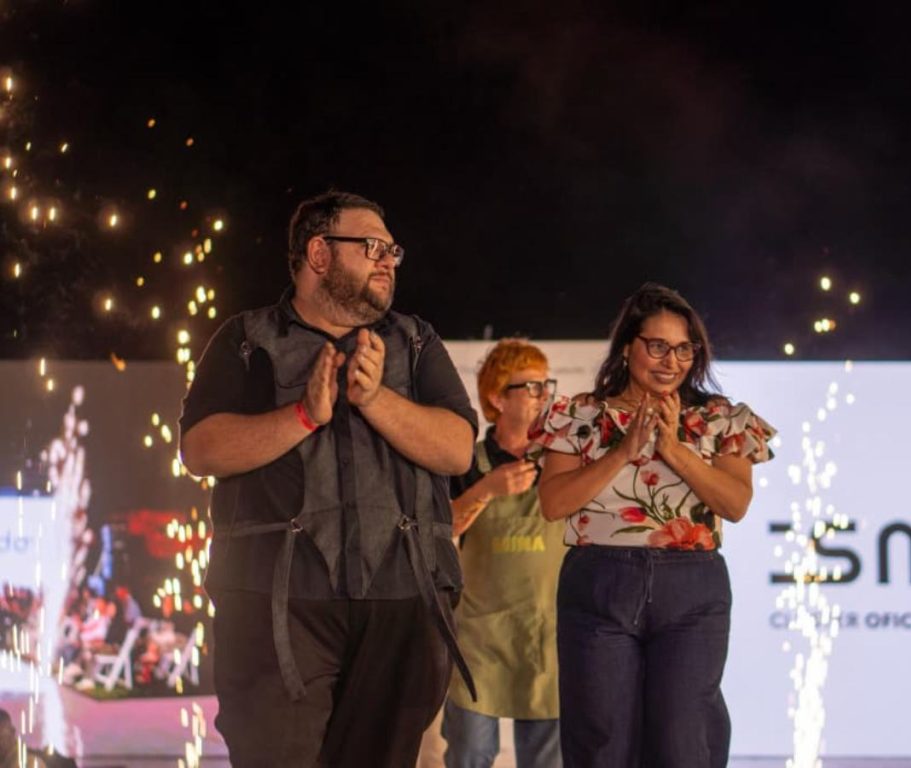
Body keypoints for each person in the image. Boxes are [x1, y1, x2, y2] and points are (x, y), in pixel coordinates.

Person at [179, 190, 477, 767]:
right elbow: (201, 448)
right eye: (372, 247)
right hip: (275, 605)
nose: (389, 259)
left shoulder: (415, 343)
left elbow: (457, 449)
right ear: (319, 254)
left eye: (392, 250)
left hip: (402, 598)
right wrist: (303, 416)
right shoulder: (245, 339)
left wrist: (374, 399)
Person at [531, 282, 775, 768]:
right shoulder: (579, 415)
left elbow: (734, 503)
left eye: (684, 348)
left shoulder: (719, 418)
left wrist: (674, 450)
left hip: (692, 590)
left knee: (683, 741)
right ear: (628, 347)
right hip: (599, 585)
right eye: (657, 346)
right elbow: (554, 503)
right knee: (602, 741)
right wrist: (623, 451)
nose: (671, 360)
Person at [442, 340, 565, 768]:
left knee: (547, 762)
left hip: (546, 637)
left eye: (545, 385)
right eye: (531, 387)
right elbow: (442, 532)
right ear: (497, 397)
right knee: (470, 754)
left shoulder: (562, 462)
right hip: (481, 639)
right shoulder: (467, 462)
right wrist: (486, 489)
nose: (543, 396)